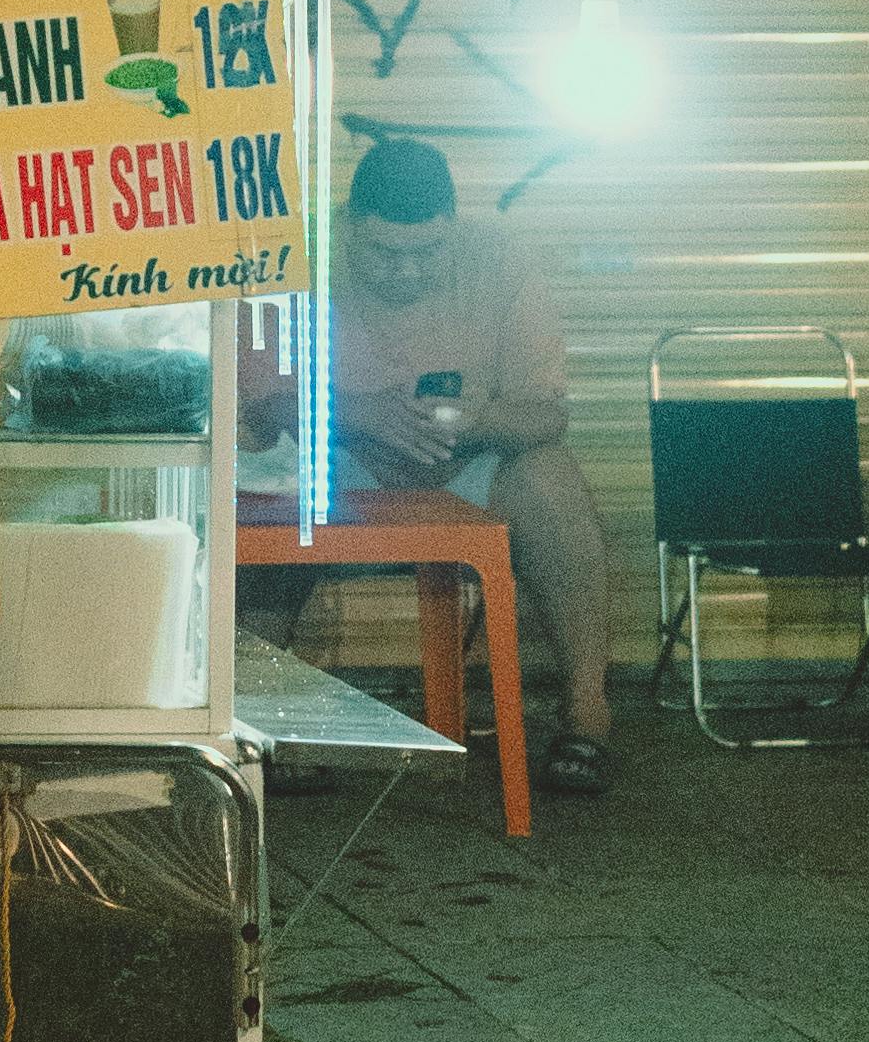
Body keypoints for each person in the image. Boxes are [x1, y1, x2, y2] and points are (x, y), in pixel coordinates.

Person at [245, 134, 619, 800]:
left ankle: (586, 712)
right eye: (384, 253)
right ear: (348, 227)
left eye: (427, 254)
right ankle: (264, 715)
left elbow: (547, 415)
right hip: (340, 463)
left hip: (465, 464)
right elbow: (258, 404)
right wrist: (357, 411)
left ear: (452, 229)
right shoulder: (296, 253)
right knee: (274, 484)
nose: (407, 272)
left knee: (552, 480)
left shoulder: (500, 260)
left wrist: (478, 418)